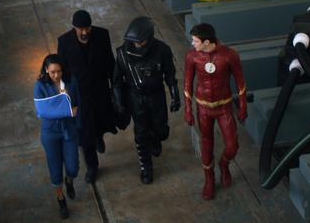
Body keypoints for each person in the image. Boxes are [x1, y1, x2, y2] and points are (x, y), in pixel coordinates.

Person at [184, 23, 248, 200]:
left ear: (206, 42)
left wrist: (243, 106)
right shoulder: (192, 57)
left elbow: (241, 82)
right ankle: (209, 179)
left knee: (232, 146)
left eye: (196, 41)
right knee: (206, 142)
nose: (193, 43)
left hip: (224, 106)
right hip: (203, 107)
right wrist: (188, 109)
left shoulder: (229, 55)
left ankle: (224, 164)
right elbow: (187, 85)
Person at [112, 16, 180, 184]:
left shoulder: (163, 50)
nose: (137, 45)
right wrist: (119, 102)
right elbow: (117, 81)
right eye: (134, 42)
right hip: (136, 98)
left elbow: (170, 75)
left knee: (161, 130)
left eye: (140, 42)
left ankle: (156, 138)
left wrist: (175, 94)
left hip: (156, 96)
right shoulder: (122, 54)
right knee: (141, 134)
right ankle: (145, 167)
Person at [57, 10, 116, 184]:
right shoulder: (64, 42)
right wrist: (65, 99)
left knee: (100, 122)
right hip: (80, 96)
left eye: (87, 28)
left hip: (100, 92)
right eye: (80, 29)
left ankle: (99, 136)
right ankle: (92, 166)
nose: (84, 32)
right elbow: (61, 73)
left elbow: (109, 62)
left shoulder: (102, 35)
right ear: (74, 28)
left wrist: (115, 87)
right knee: (84, 133)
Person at [33, 54, 81, 219]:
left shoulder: (71, 81)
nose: (56, 75)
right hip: (50, 132)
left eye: (59, 71)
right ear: (46, 70)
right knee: (55, 169)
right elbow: (42, 112)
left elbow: (77, 104)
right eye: (52, 72)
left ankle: (69, 180)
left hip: (68, 129)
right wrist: (66, 110)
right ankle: (61, 200)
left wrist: (72, 112)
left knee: (73, 167)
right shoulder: (40, 85)